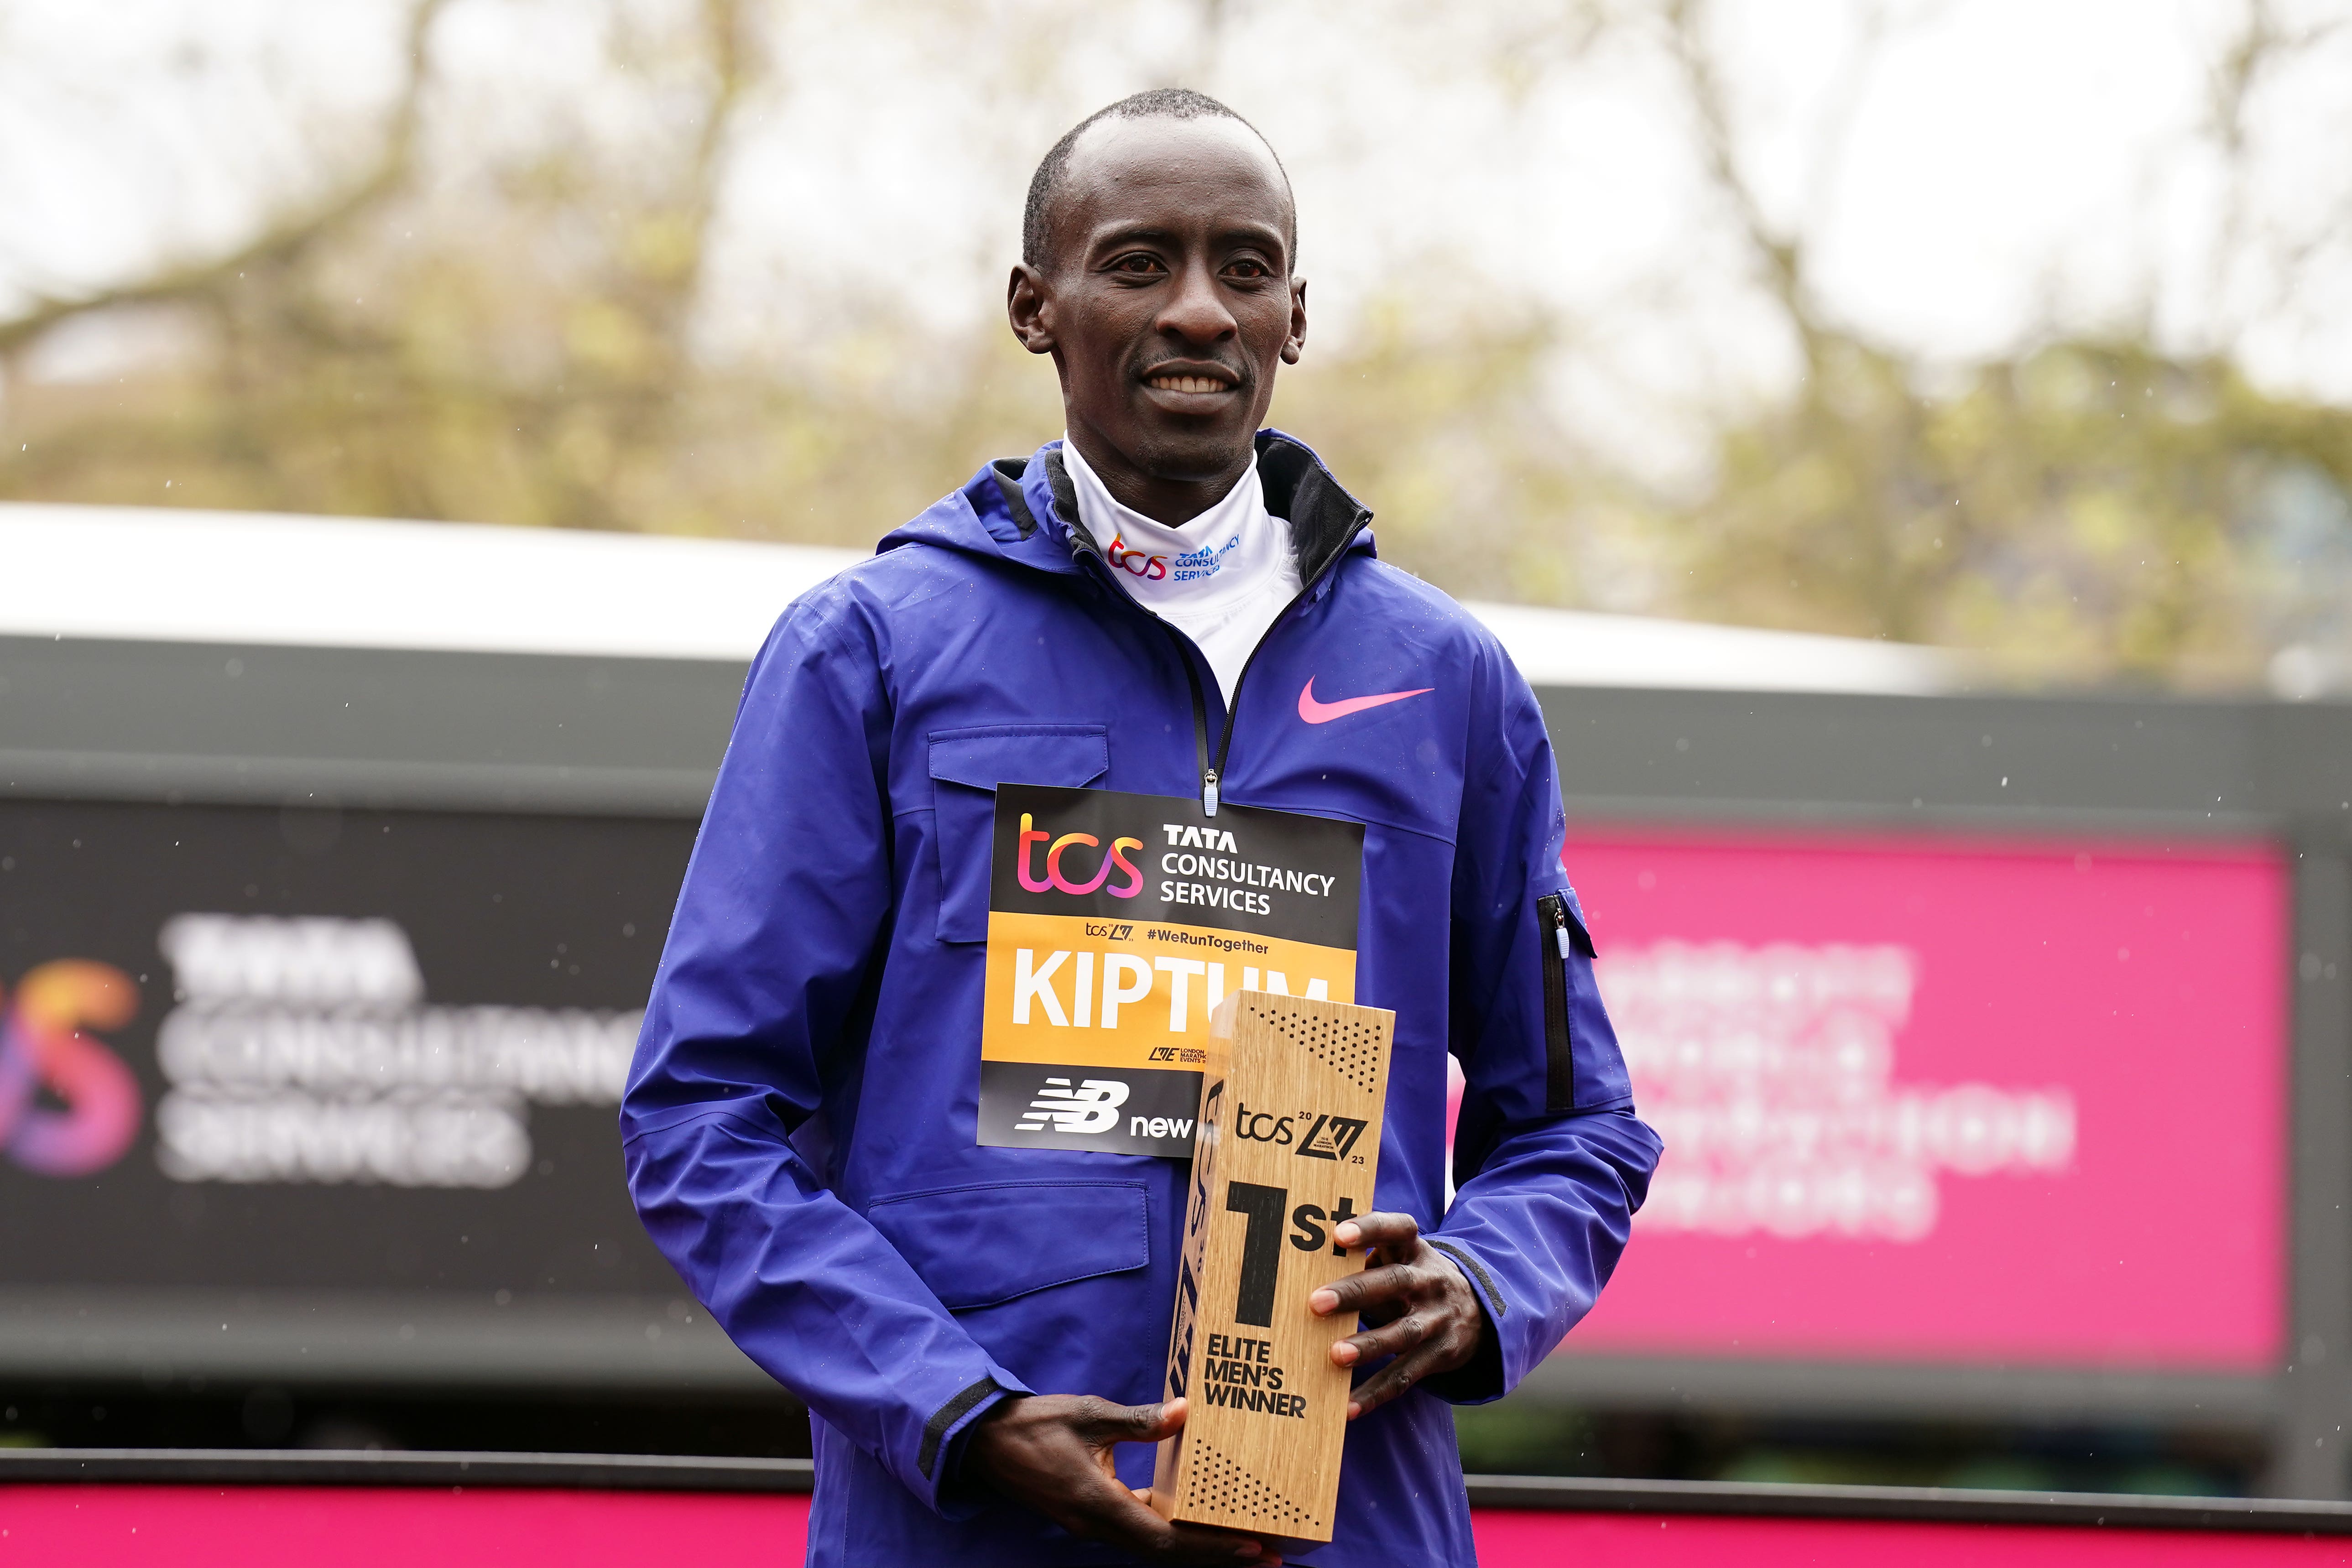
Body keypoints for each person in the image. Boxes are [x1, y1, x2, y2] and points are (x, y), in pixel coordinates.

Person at [621, 88, 1661, 1568]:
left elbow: (1575, 1127)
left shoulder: (1446, 684)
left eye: (1243, 267)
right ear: (1032, 306)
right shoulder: (867, 653)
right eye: (1135, 263)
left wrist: (1483, 1284)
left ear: (1296, 317)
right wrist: (953, 1409)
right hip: (960, 1526)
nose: (1195, 311)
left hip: (1347, 1525)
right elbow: (697, 1121)